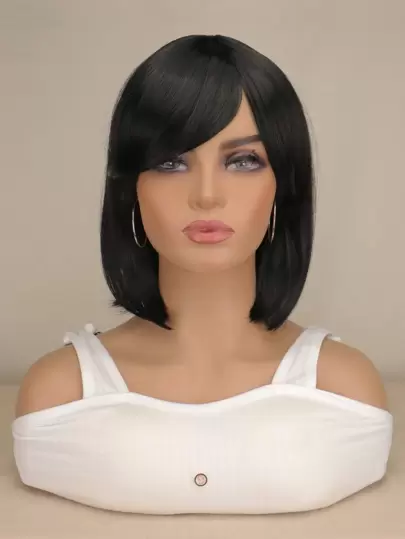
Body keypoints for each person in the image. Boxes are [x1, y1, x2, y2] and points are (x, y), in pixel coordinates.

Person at [12, 34, 393, 515]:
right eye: (171, 162)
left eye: (243, 161)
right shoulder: (58, 394)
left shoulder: (344, 390)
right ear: (131, 187)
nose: (207, 195)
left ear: (283, 186)